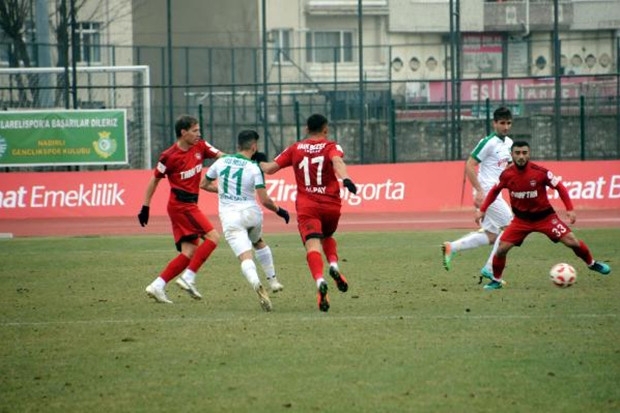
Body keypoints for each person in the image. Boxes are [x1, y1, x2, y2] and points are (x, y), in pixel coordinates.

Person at [254, 113, 357, 312]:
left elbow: (270, 169)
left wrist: (257, 161)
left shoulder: (295, 148)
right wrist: (346, 179)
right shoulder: (331, 146)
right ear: (326, 129)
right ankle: (334, 265)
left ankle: (320, 281)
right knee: (327, 236)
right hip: (331, 205)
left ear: (306, 129)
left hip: (307, 206)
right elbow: (337, 161)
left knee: (312, 245)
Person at [475, 141, 611, 290]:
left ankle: (592, 264)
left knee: (572, 242)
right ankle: (496, 280)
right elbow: (494, 191)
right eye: (517, 153)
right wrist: (483, 209)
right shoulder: (506, 175)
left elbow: (560, 187)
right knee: (501, 249)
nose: (521, 156)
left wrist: (570, 209)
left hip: (545, 218)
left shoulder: (540, 172)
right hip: (521, 220)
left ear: (529, 154)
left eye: (524, 153)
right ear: (511, 155)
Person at [201, 130, 290, 312]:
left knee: (245, 257)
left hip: (230, 217)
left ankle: (256, 283)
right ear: (254, 147)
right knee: (258, 241)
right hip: (252, 214)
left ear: (238, 145)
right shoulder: (254, 167)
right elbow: (265, 200)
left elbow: (204, 184)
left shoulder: (221, 161)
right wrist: (280, 211)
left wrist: (224, 191)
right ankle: (273, 281)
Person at [138, 114, 223, 303]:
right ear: (183, 132)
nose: (198, 134)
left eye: (199, 130)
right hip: (181, 206)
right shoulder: (169, 156)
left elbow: (221, 156)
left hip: (188, 205)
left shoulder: (201, 146)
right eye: (195, 131)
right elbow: (154, 180)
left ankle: (157, 285)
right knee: (213, 237)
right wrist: (145, 206)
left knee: (189, 252)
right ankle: (188, 278)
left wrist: (239, 160)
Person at [442, 106, 514, 282]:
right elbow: (469, 165)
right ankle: (490, 268)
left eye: (508, 123)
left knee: (492, 235)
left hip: (495, 192)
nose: (505, 127)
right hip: (487, 192)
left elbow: (509, 167)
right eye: (502, 123)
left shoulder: (509, 143)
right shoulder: (488, 142)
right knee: (511, 227)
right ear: (494, 123)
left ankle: (452, 247)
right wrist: (480, 191)